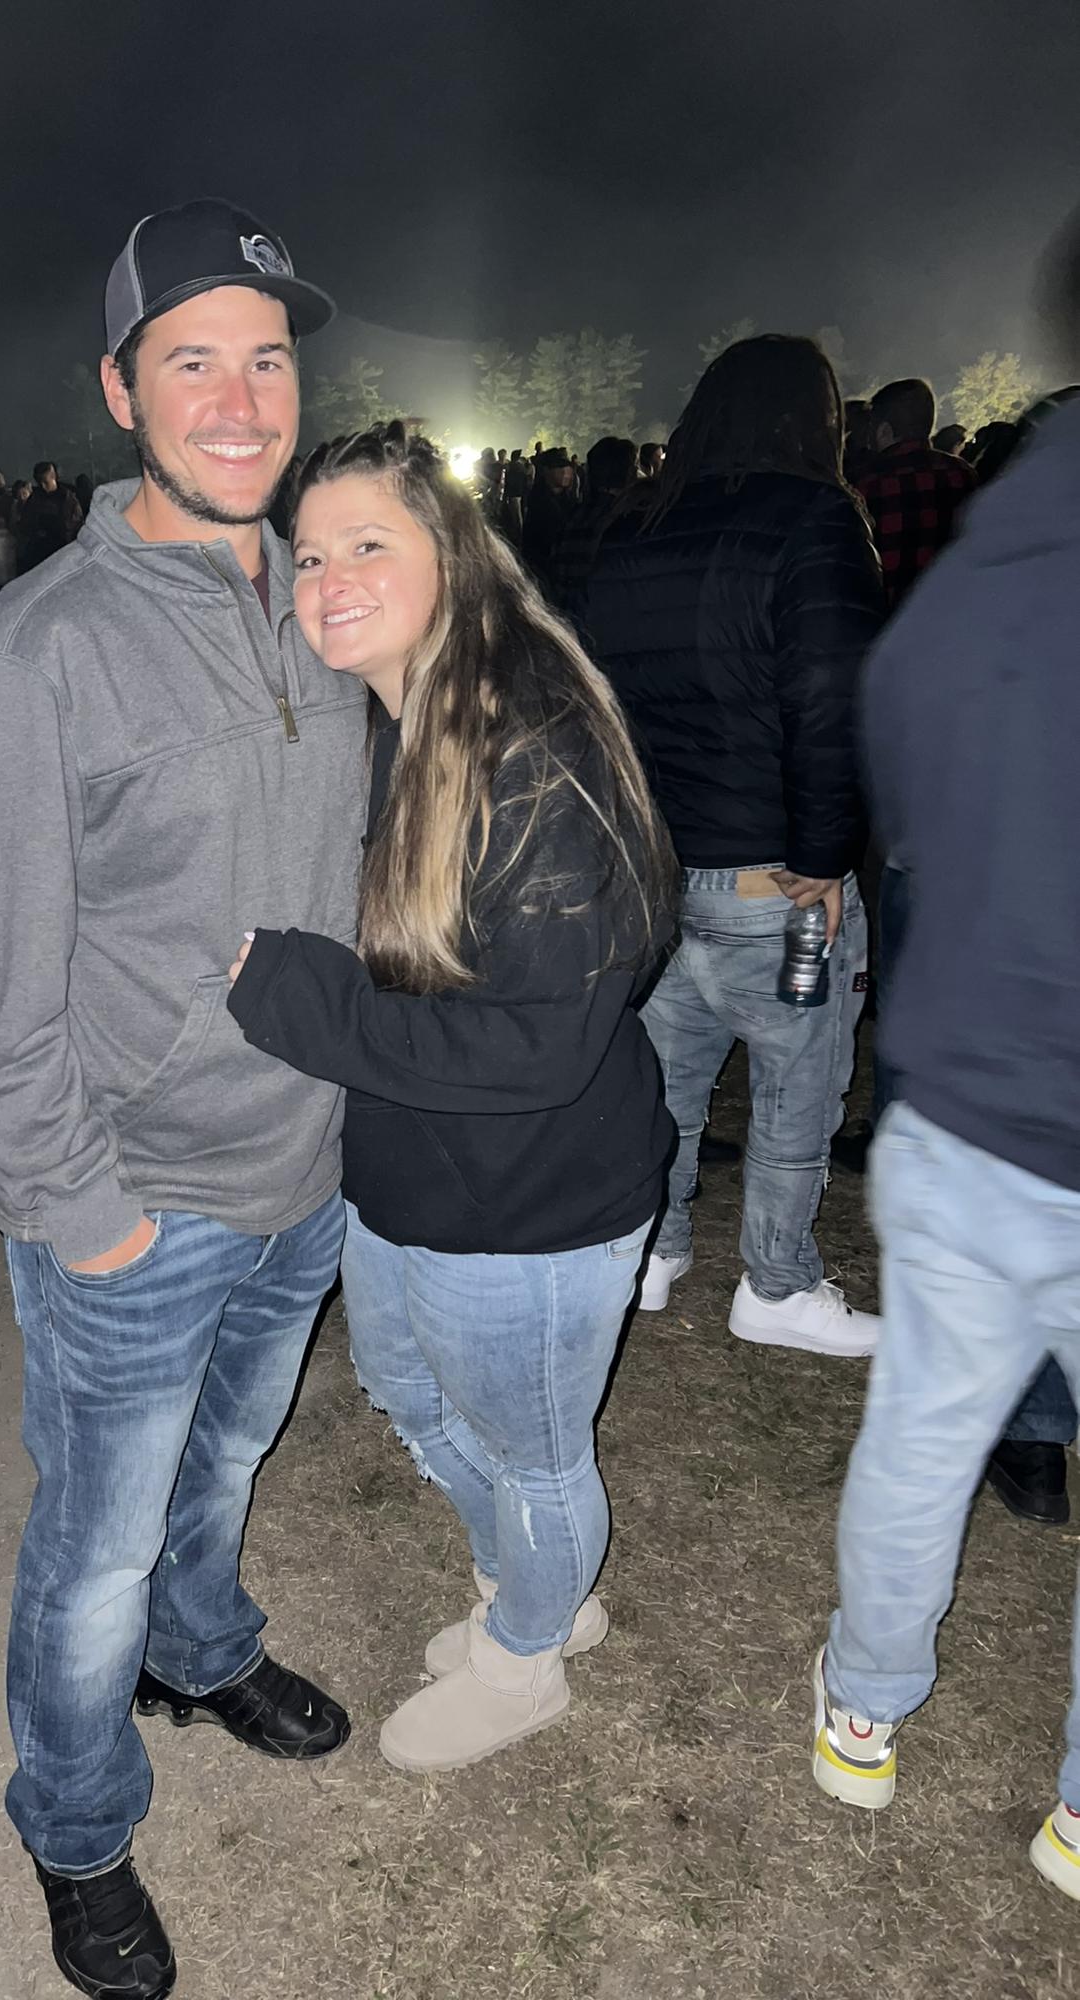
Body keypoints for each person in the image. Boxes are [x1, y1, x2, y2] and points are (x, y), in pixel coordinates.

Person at [0, 197, 362, 2000]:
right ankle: (78, 1821)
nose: (241, 401)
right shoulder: (31, 660)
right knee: (91, 1548)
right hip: (140, 1204)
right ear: (120, 393)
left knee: (231, 1459)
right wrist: (86, 1214)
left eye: (266, 359)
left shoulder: (325, 603)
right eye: (193, 362)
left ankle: (205, 1645)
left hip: (309, 1172)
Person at [226, 421, 674, 1773]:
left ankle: (528, 1654)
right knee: (407, 1386)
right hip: (419, 1166)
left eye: (368, 543)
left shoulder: (531, 744)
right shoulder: (406, 717)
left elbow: (537, 1046)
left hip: (537, 1197)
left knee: (535, 1453)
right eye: (309, 556)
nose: (329, 579)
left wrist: (293, 994)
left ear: (455, 556)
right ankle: (536, 1583)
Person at [811, 222, 1080, 1901]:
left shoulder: (965, 582)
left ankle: (862, 1712)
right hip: (999, 1090)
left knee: (921, 1435)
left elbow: (900, 815)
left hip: (973, 1102)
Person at [570, 335, 884, 1357]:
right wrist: (826, 852)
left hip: (659, 871)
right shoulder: (814, 520)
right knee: (799, 1083)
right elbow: (830, 698)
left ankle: (654, 1252)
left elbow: (598, 701)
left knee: (666, 1083)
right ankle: (776, 1283)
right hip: (773, 878)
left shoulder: (634, 525)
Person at [855, 378, 977, 606]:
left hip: (890, 615)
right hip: (956, 606)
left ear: (884, 430)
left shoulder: (867, 483)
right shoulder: (962, 474)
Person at [552, 436, 640, 601]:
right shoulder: (626, 520)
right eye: (635, 466)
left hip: (568, 607)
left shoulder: (573, 516)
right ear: (628, 473)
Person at [521, 444, 581, 592]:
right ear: (546, 470)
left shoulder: (568, 499)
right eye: (558, 468)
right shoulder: (540, 501)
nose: (565, 472)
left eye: (566, 467)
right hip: (545, 568)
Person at [16, 460, 84, 573]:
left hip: (62, 548)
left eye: (45, 482)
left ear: (54, 477)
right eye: (39, 483)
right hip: (39, 549)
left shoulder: (67, 498)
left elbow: (76, 524)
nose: (43, 486)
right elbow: (25, 523)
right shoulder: (35, 498)